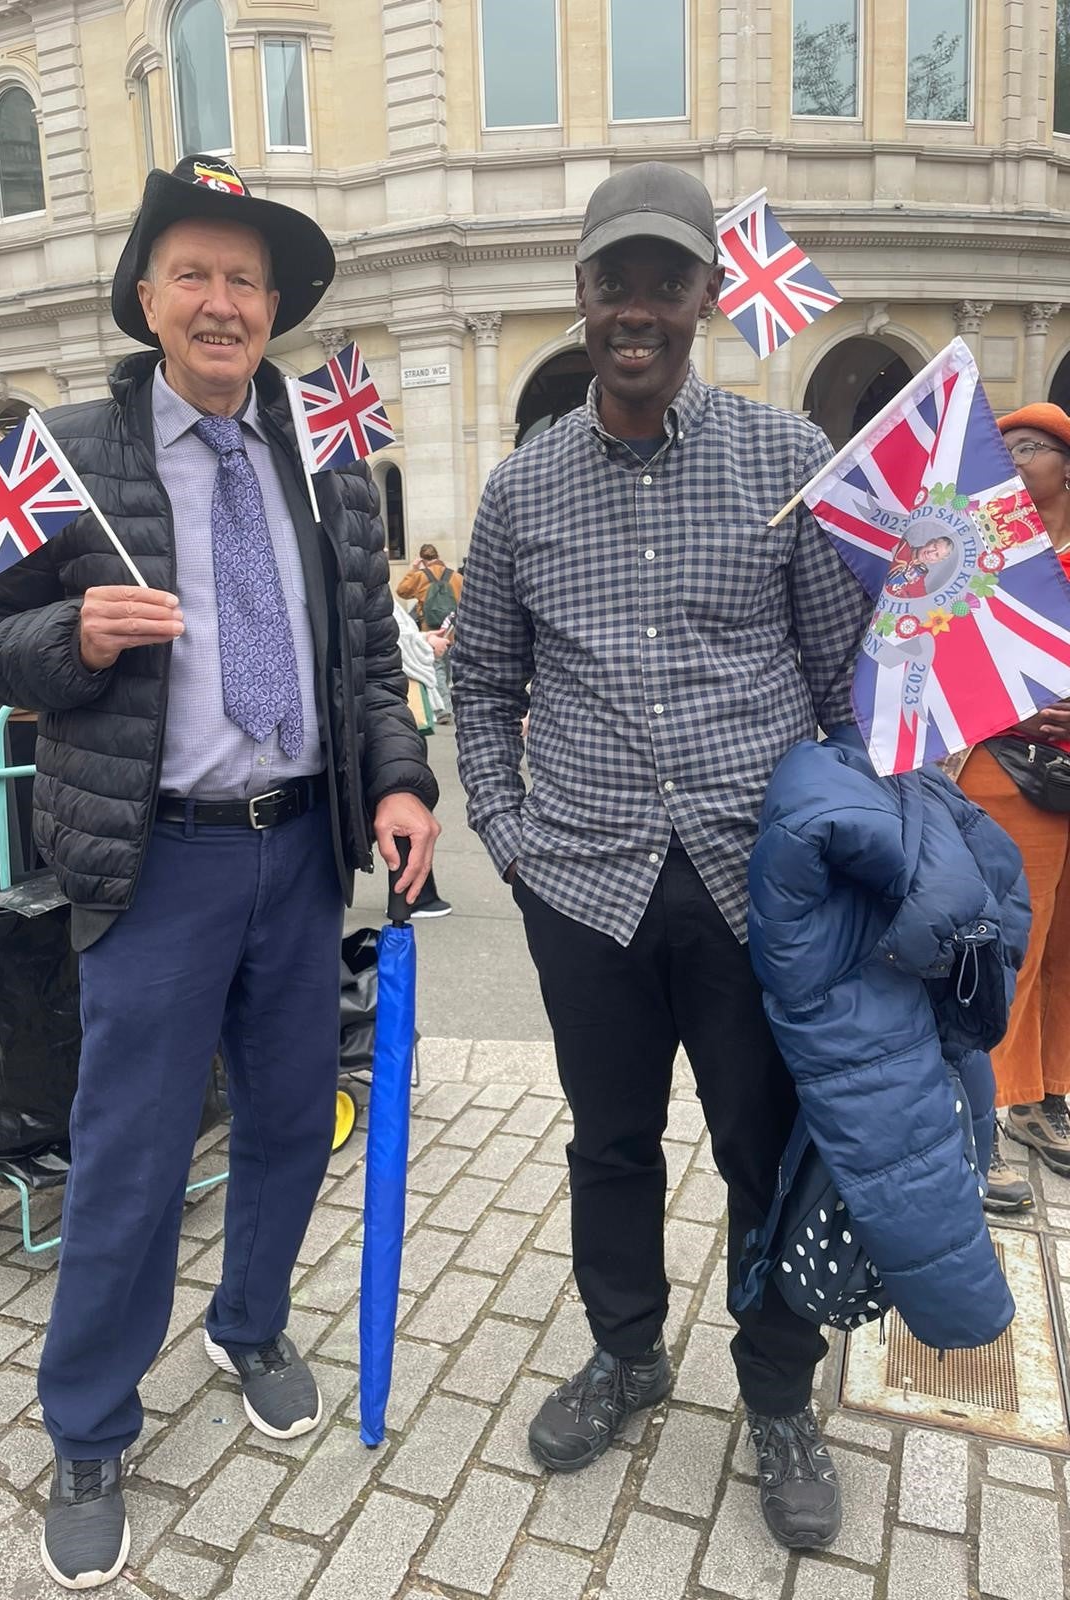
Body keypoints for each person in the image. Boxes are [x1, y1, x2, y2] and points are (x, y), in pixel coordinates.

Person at [0, 156, 439, 1591]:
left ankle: (249, 1324)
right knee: (132, 1156)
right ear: (148, 296)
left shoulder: (325, 457)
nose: (221, 302)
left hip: (299, 853)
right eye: (194, 275)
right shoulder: (64, 452)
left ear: (273, 306)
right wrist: (76, 639)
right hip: (154, 864)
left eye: (245, 279)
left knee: (291, 1121)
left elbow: (368, 659)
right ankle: (89, 1426)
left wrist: (400, 780)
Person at [454, 162, 872, 1551]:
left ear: (707, 296)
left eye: (666, 283)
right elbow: (480, 684)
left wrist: (861, 847)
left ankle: (779, 1393)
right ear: (580, 295)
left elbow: (843, 677)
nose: (637, 309)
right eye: (613, 282)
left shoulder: (780, 461)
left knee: (766, 1147)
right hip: (586, 884)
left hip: (759, 885)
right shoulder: (521, 491)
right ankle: (628, 1350)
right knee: (612, 1141)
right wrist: (512, 840)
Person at [957, 402, 1070, 1211]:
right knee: (1006, 949)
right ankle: (981, 1118)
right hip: (1003, 774)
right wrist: (1012, 707)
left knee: (1063, 949)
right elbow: (936, 654)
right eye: (1007, 449)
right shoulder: (981, 557)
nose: (1015, 459)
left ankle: (1042, 1094)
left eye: (1029, 447)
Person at [392, 596, 452, 916]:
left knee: (407, 803)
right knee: (409, 803)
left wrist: (423, 638)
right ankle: (413, 895)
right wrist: (425, 644)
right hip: (395, 715)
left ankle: (413, 894)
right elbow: (387, 643)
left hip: (390, 716)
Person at [396, 542, 461, 721]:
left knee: (437, 666)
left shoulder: (420, 576)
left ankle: (445, 708)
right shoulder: (456, 577)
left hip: (430, 629)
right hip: (453, 629)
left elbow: (402, 591)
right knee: (449, 667)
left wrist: (413, 569)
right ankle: (452, 704)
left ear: (422, 559)